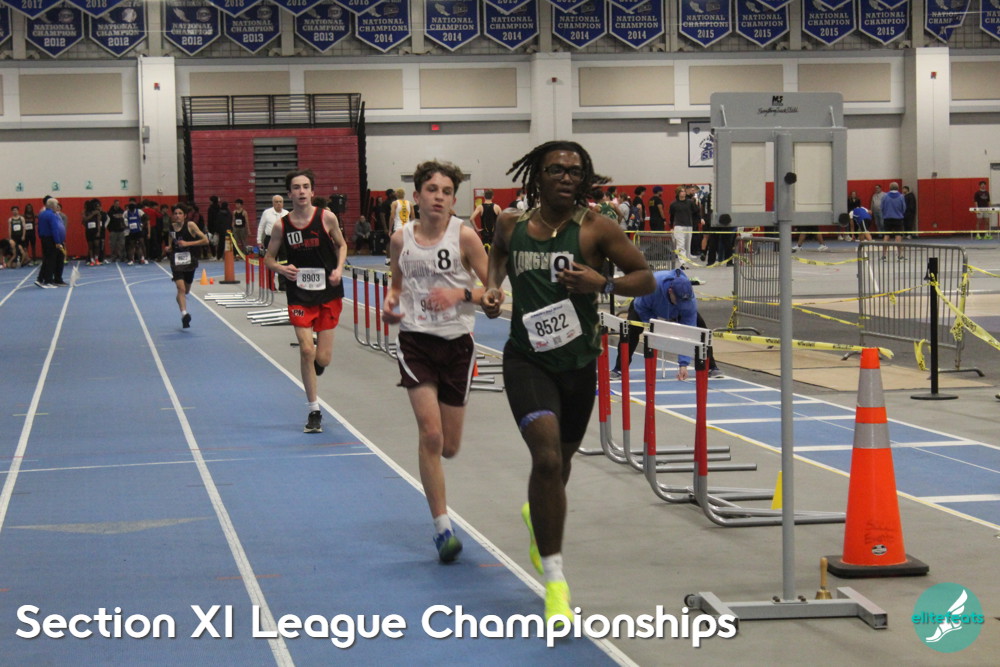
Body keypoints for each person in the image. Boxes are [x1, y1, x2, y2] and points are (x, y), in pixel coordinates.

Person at [481, 140, 654, 624]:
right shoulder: (511, 224)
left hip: (578, 364)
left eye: (575, 172)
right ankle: (555, 581)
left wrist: (605, 284)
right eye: (556, 170)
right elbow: (498, 255)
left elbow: (646, 277)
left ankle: (537, 512)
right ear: (537, 176)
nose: (566, 178)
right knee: (547, 458)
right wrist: (493, 288)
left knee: (560, 466)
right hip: (526, 360)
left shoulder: (597, 229)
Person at [382, 160, 489, 563]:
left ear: (453, 200)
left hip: (457, 345)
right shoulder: (400, 240)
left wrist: (460, 295)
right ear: (417, 196)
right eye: (432, 190)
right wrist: (392, 305)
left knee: (449, 447)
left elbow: (495, 294)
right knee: (430, 435)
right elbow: (396, 286)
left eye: (446, 191)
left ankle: (441, 511)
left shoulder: (465, 237)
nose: (439, 197)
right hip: (415, 343)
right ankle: (442, 529)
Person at [264, 169, 348, 434]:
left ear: (312, 191)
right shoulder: (282, 225)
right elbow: (268, 259)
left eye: (305, 187)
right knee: (306, 350)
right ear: (289, 193)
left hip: (328, 292)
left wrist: (339, 269)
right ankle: (314, 410)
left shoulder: (327, 217)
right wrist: (281, 268)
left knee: (323, 357)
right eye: (296, 187)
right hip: (299, 293)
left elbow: (342, 245)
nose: (301, 191)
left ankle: (317, 366)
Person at [611, 269, 722, 380]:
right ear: (670, 291)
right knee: (630, 331)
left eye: (683, 302)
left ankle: (711, 366)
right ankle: (619, 368)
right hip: (645, 306)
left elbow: (689, 333)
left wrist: (683, 364)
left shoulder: (689, 302)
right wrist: (653, 326)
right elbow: (641, 307)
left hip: (675, 311)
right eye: (678, 301)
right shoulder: (652, 286)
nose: (681, 304)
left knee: (701, 332)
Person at [165, 203, 209, 328]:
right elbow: (171, 243)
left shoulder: (190, 225)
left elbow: (205, 240)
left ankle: (181, 300)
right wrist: (169, 248)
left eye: (180, 213)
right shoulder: (171, 227)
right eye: (175, 213)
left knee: (186, 290)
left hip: (190, 262)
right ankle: (184, 314)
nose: (177, 216)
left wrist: (187, 243)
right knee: (181, 288)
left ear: (184, 215)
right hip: (176, 261)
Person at [36, 196, 66, 287]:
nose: (57, 206)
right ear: (52, 205)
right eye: (56, 205)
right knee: (51, 260)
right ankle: (49, 280)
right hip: (52, 240)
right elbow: (54, 229)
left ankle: (52, 279)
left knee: (50, 259)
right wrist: (57, 242)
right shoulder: (52, 215)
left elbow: (39, 228)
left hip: (45, 239)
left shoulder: (42, 214)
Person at [880, 182, 906, 260]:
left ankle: (884, 255)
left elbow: (881, 207)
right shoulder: (901, 196)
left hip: (887, 218)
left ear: (889, 187)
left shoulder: (885, 196)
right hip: (898, 219)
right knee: (898, 236)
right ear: (898, 188)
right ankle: (900, 255)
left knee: (886, 236)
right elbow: (904, 208)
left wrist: (885, 214)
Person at [124, 199, 147, 265]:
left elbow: (146, 217)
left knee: (141, 244)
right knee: (132, 245)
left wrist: (142, 224)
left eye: (132, 209)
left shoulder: (139, 211)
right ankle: (132, 260)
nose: (131, 211)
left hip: (139, 230)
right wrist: (126, 225)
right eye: (130, 209)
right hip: (131, 231)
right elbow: (123, 220)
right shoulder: (126, 213)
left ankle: (143, 258)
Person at [83, 199, 103, 266]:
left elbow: (98, 223)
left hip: (95, 230)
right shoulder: (85, 212)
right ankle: (92, 260)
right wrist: (92, 215)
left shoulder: (97, 212)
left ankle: (96, 259)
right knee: (90, 246)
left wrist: (98, 231)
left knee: (97, 245)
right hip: (88, 231)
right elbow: (85, 219)